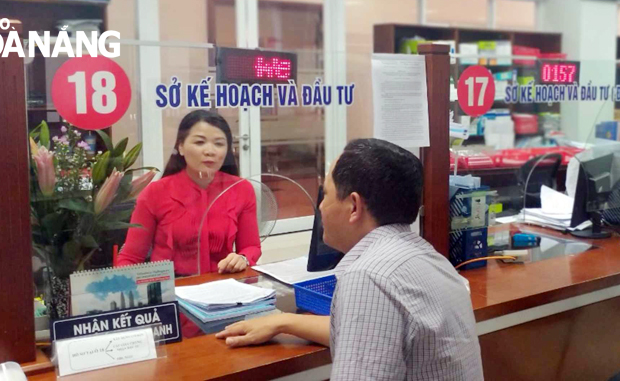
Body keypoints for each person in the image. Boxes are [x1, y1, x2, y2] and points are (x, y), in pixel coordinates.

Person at [216, 139, 483, 380]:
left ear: (353, 206)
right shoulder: (424, 256)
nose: (320, 206)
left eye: (326, 194)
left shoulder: (367, 276)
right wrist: (282, 322)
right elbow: (368, 334)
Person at [117, 110, 261, 276]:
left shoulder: (241, 189)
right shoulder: (155, 193)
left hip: (222, 286)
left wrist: (243, 258)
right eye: (200, 142)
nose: (210, 151)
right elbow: (130, 257)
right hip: (171, 289)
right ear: (181, 147)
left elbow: (252, 247)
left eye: (219, 144)